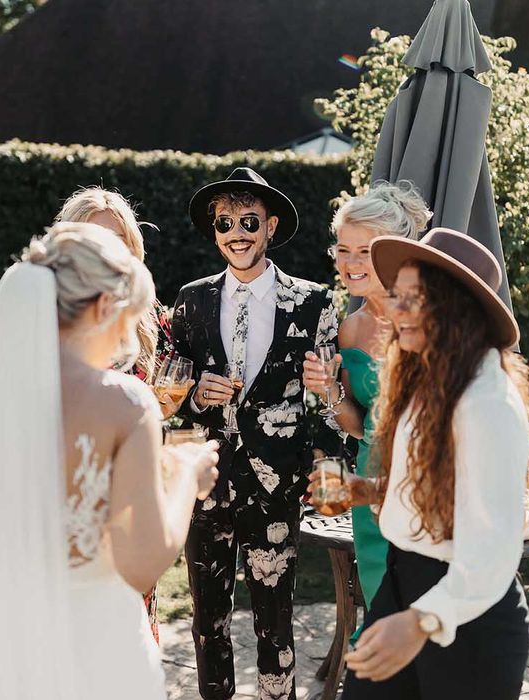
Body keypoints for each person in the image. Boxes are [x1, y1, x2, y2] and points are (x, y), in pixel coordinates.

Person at [0, 222, 219, 700]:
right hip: (92, 650)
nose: (126, 345)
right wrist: (185, 476)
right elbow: (141, 565)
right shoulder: (126, 404)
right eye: (128, 322)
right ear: (103, 307)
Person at [339, 228, 529, 699]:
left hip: (467, 622)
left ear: (457, 308)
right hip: (402, 583)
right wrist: (371, 491)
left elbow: (493, 552)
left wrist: (421, 621)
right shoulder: (425, 377)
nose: (397, 310)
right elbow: (435, 489)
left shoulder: (487, 401)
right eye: (397, 296)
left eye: (418, 299)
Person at [0, 186, 180, 640]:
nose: (105, 255)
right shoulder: (20, 318)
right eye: (92, 238)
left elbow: (158, 396)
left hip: (125, 501)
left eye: (117, 242)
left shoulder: (148, 321)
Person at [171, 167, 341, 700]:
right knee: (207, 621)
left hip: (278, 486)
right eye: (225, 223)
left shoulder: (313, 303)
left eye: (248, 221)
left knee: (275, 622)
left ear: (269, 227)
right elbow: (173, 394)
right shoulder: (191, 301)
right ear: (215, 230)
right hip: (207, 482)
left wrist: (329, 476)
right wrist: (199, 392)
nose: (236, 233)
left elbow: (328, 405)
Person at [302, 181, 432, 622]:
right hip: (369, 481)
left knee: (424, 612)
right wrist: (329, 391)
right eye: (343, 250)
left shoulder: (428, 319)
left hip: (425, 483)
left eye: (365, 251)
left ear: (394, 250)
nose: (351, 263)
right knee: (381, 609)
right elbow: (359, 425)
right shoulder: (350, 329)